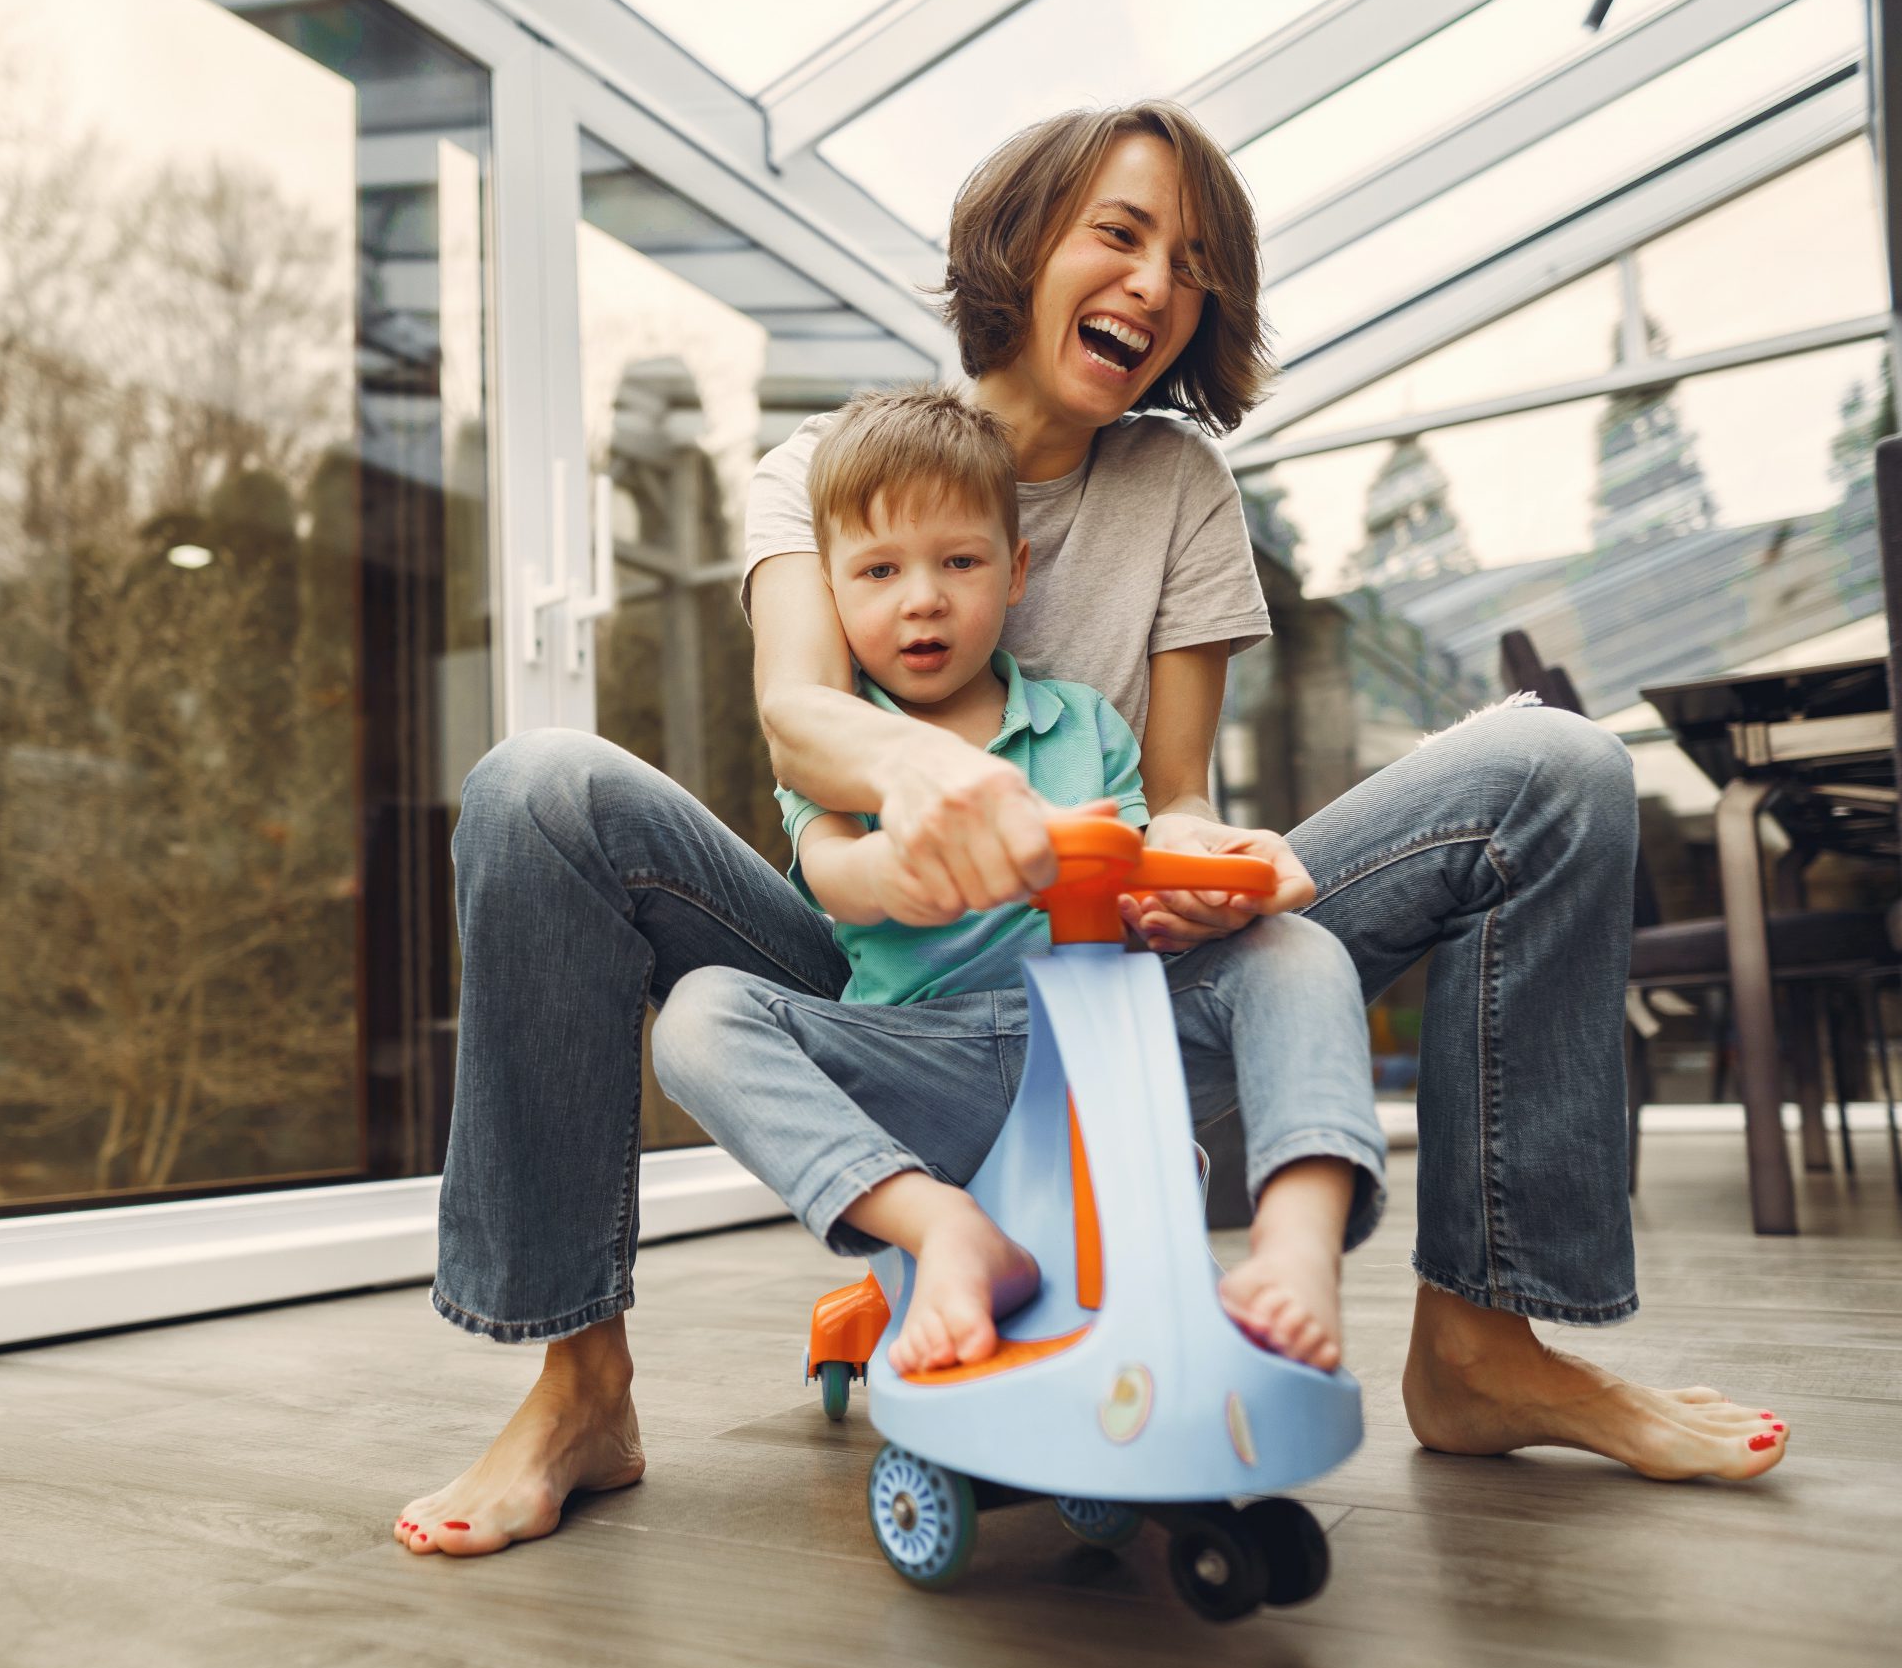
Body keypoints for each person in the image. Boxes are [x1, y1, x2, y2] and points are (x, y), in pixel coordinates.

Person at [395, 100, 1788, 1563]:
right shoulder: (821, 464)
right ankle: (580, 1388)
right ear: (1022, 240)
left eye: (1188, 263)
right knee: (536, 784)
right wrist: (915, 781)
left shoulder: (1178, 483)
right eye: (1117, 234)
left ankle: (1484, 1349)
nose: (1151, 282)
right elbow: (801, 715)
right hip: (868, 954)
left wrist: (1201, 873)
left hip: (1104, 973)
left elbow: (1173, 784)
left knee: (1559, 763)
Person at [651, 384, 1381, 1378]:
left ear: (1015, 569)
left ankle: (1295, 1247)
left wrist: (1195, 894)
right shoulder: (840, 748)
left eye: (959, 561)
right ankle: (941, 1226)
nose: (923, 597)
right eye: (877, 570)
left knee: (1296, 949)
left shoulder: (1086, 726)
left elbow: (1133, 884)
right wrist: (894, 869)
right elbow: (831, 877)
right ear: (829, 589)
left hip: (1093, 1048)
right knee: (698, 1015)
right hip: (913, 1060)